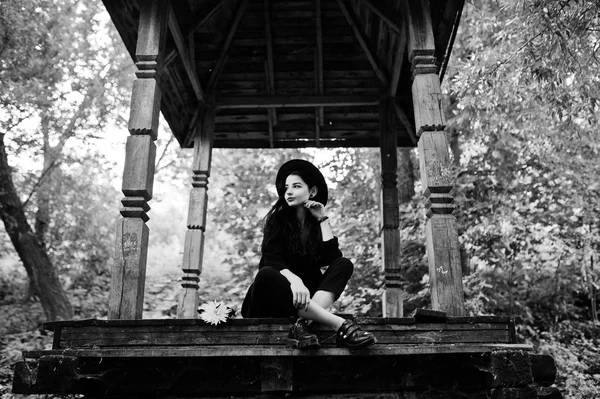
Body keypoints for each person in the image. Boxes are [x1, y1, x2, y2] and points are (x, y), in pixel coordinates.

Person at [241, 159, 376, 350]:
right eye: (287, 187)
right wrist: (294, 281)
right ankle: (340, 325)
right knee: (266, 274)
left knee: (344, 264)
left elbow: (332, 258)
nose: (288, 191)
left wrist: (322, 218)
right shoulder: (276, 220)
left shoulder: (315, 225)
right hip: (273, 297)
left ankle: (302, 324)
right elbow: (271, 259)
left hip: (302, 301)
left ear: (312, 192)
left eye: (296, 186)